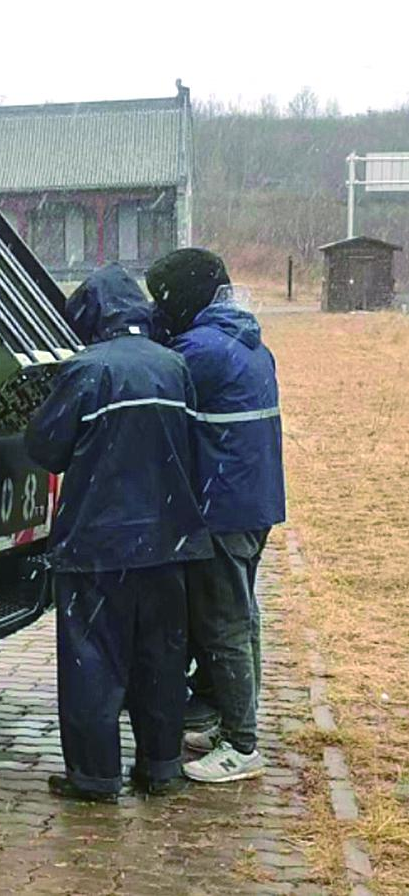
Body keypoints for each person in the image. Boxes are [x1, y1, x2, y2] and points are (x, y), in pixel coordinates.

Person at [26, 264, 212, 802]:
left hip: (98, 545)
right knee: (161, 658)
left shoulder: (87, 371)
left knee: (94, 661)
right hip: (168, 542)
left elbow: (45, 449)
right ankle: (161, 765)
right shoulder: (175, 368)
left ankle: (96, 775)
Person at [146, 248, 286, 784]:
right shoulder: (247, 341)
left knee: (223, 624)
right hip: (255, 503)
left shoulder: (199, 351)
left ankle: (242, 745)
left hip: (223, 509)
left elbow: (158, 386)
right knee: (242, 616)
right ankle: (232, 725)